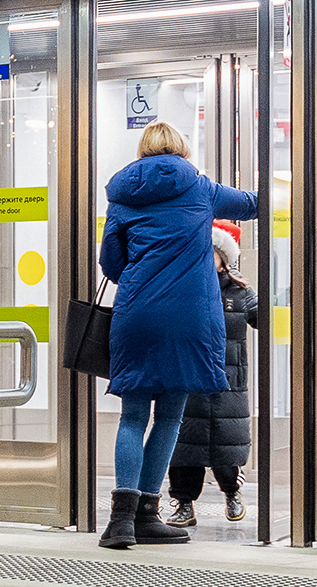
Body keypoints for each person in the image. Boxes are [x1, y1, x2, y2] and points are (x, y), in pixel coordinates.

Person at [98, 121, 259, 550]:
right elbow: (251, 205)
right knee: (169, 417)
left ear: (142, 151)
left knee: (132, 416)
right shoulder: (201, 189)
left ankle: (121, 522)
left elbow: (110, 262)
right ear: (183, 151)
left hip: (137, 315)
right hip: (189, 318)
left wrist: (142, 277)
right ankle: (149, 512)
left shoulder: (121, 195)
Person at [165, 221, 258, 527]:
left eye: (211, 252)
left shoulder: (240, 292)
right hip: (187, 376)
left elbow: (265, 318)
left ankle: (232, 492)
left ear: (223, 257)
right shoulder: (179, 287)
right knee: (184, 446)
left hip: (228, 382)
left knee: (227, 442)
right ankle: (183, 503)